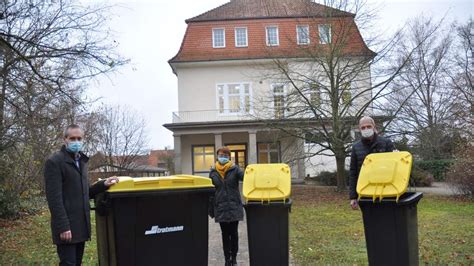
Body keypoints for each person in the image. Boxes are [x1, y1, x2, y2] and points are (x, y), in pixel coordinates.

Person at [44, 124, 119, 265]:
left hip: (81, 225)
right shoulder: (55, 162)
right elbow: (54, 199)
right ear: (64, 139)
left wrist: (103, 184)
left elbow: (84, 192)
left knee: (77, 263)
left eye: (79, 138)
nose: (76, 142)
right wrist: (63, 226)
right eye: (72, 138)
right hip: (67, 227)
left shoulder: (82, 162)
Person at [209, 146, 244, 266]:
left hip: (234, 205)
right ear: (217, 157)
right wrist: (211, 209)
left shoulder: (235, 169)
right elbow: (210, 191)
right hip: (220, 206)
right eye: (221, 155)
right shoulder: (213, 172)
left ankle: (234, 259)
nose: (223, 157)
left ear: (229, 157)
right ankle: (226, 259)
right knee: (225, 234)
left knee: (234, 233)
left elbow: (245, 177)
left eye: (225, 155)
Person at [349, 116, 394, 210]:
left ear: (374, 127)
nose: (366, 129)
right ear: (359, 129)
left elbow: (393, 168)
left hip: (384, 191)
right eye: (363, 127)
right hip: (365, 192)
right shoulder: (356, 147)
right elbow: (353, 173)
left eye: (368, 126)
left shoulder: (386, 143)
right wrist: (353, 197)